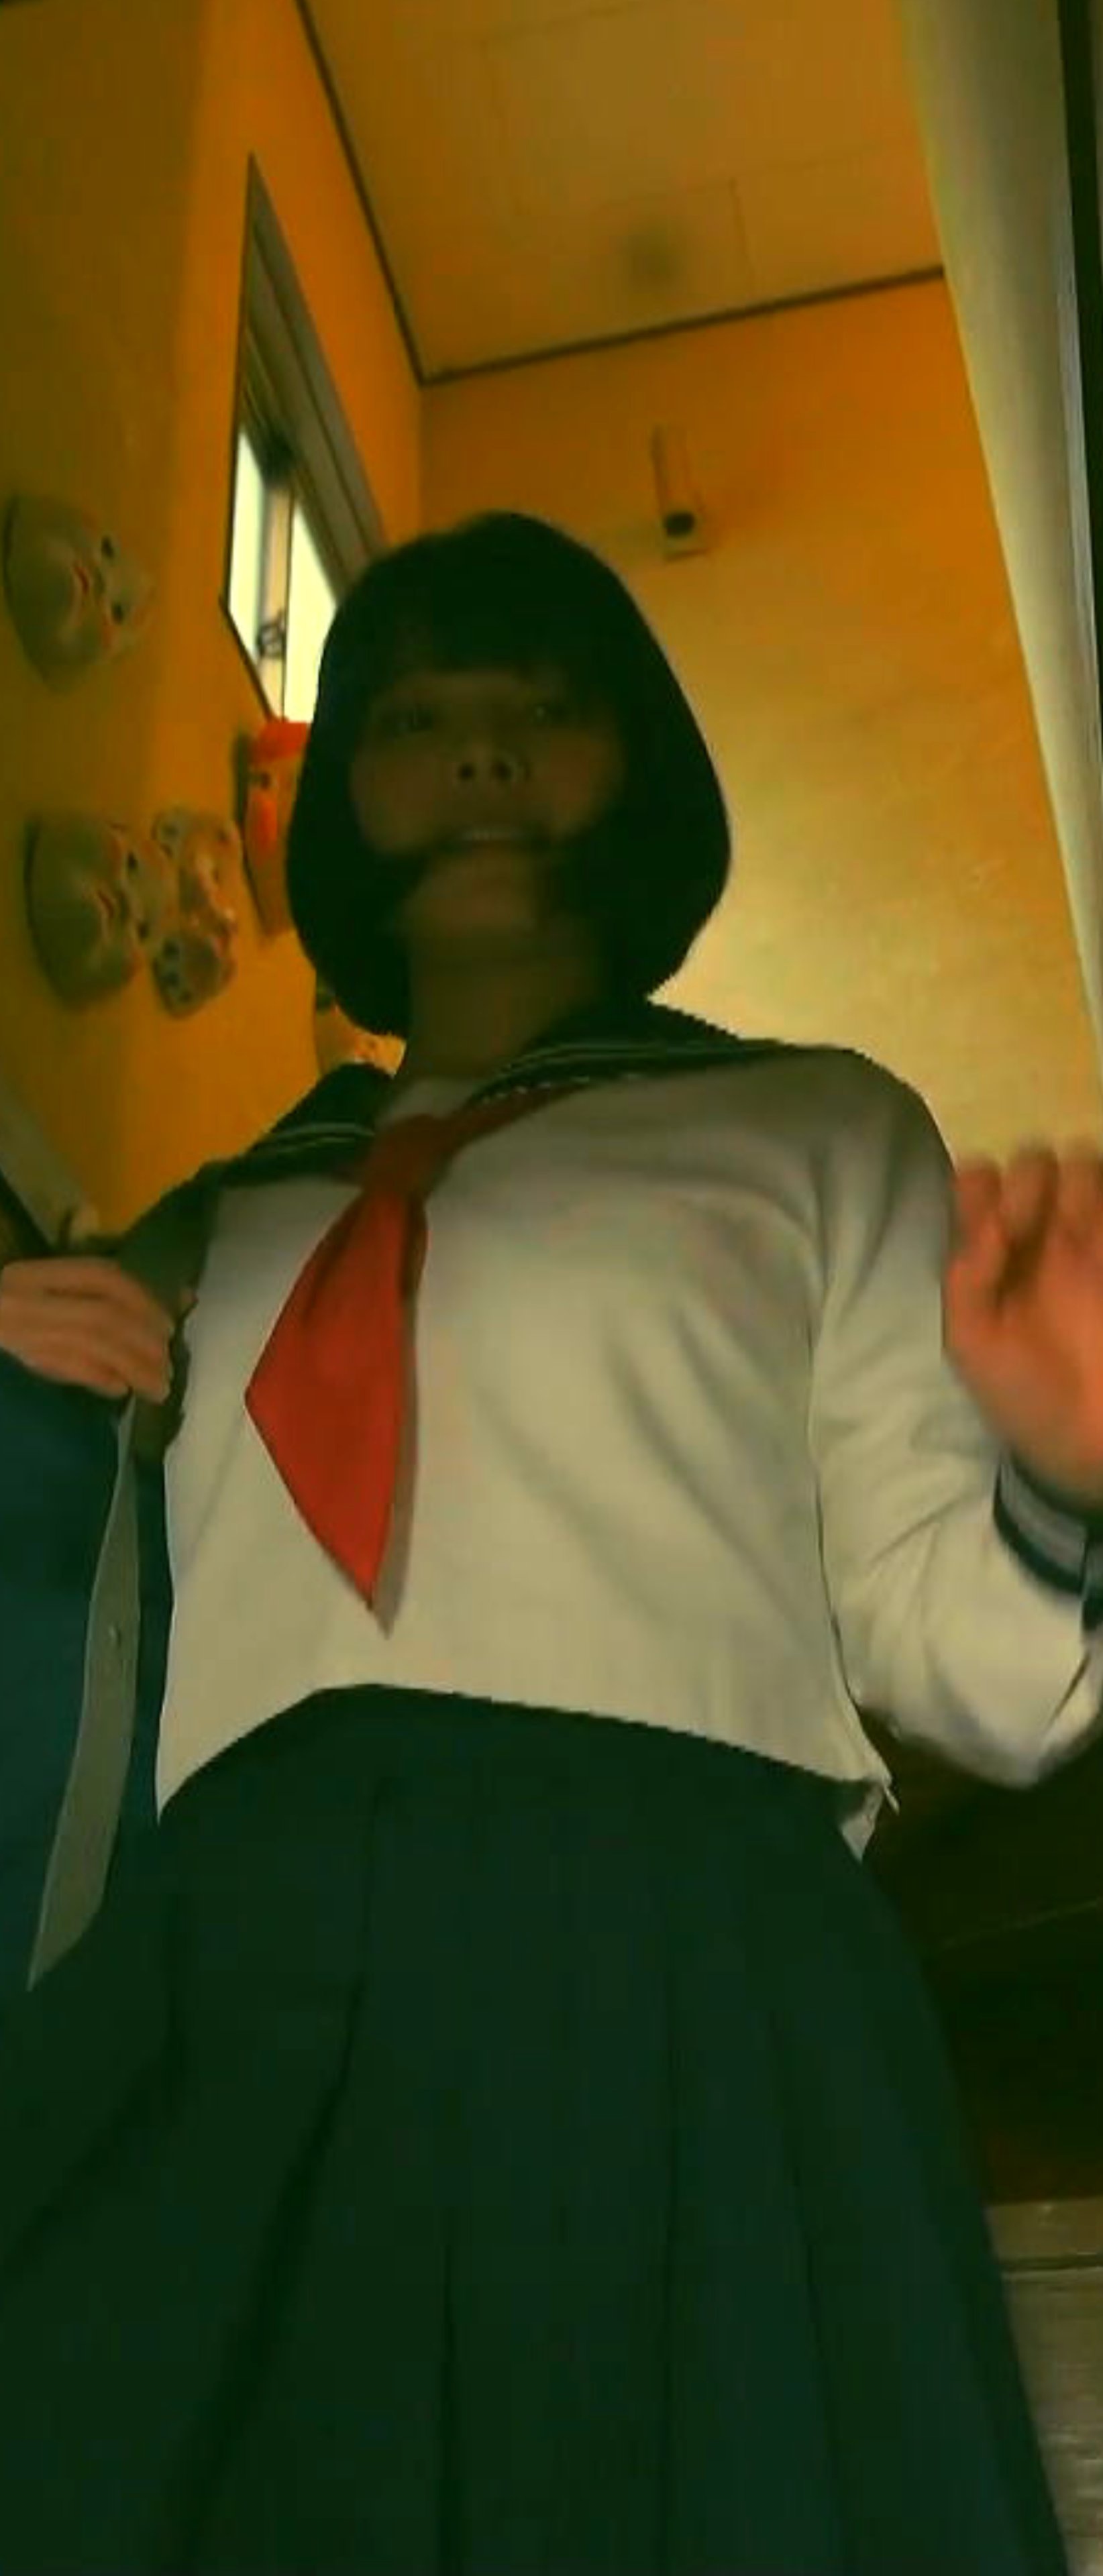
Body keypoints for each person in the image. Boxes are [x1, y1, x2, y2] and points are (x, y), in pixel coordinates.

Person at [0, 508, 1093, 2575]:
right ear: (338, 798)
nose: (483, 745)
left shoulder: (814, 1123)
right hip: (234, 1940)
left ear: (643, 768)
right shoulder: (215, 1216)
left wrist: (1060, 1472)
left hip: (686, 1926)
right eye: (414, 715)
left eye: (546, 701)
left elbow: (977, 1664)